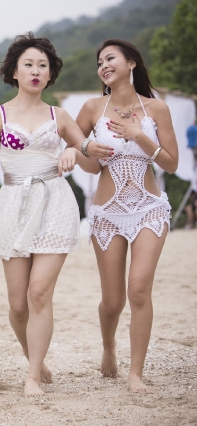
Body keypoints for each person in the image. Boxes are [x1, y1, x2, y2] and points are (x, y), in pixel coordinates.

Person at [0, 33, 102, 397]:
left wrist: (73, 152)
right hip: (13, 205)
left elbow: (92, 157)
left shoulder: (58, 116)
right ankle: (33, 355)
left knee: (38, 293)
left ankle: (32, 376)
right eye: (28, 65)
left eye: (42, 66)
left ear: (50, 75)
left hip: (54, 203)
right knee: (18, 305)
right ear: (14, 72)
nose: (35, 71)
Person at [76, 38, 179, 392]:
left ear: (131, 62)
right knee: (113, 300)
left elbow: (171, 163)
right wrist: (87, 149)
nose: (103, 66)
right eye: (99, 62)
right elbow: (85, 160)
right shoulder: (92, 108)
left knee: (138, 290)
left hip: (149, 209)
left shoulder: (156, 109)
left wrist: (140, 136)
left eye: (110, 59)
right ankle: (109, 348)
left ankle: (136, 373)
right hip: (108, 213)